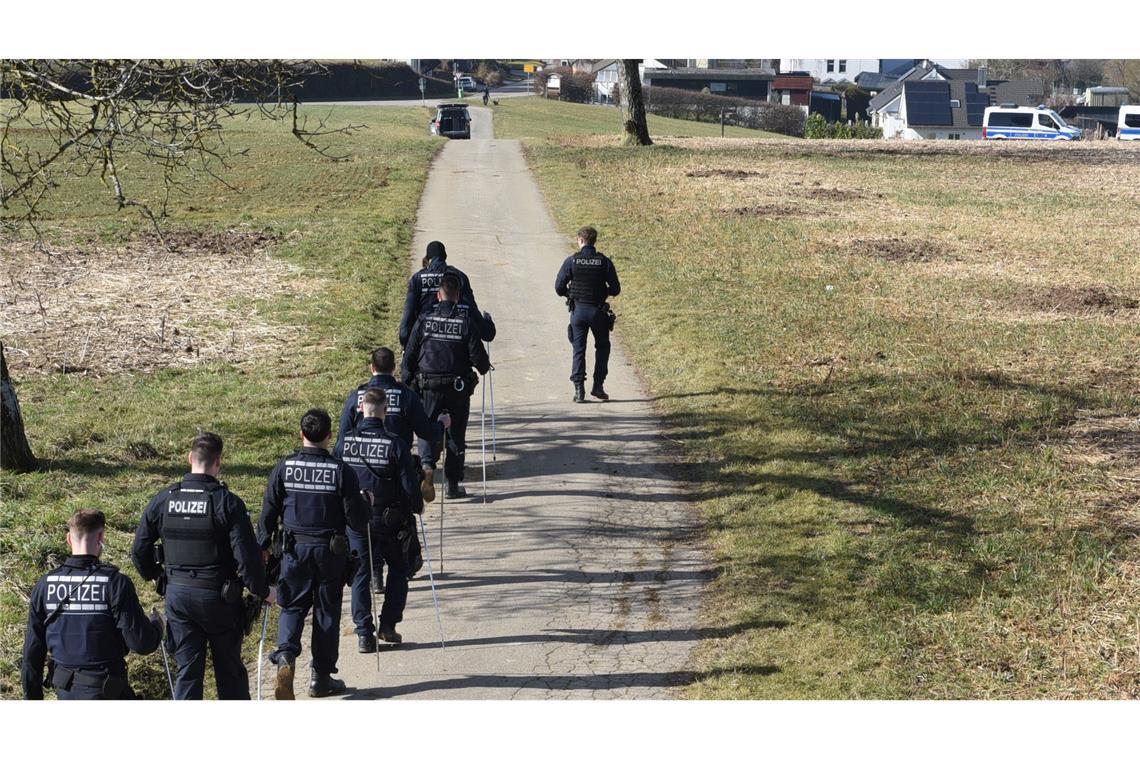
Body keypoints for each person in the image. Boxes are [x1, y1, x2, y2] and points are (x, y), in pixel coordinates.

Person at [132, 432, 273, 700]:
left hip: (178, 597)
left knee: (188, 672)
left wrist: (158, 577)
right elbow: (247, 558)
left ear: (189, 459)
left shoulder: (164, 500)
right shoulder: (226, 502)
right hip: (219, 600)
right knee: (230, 673)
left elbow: (139, 552)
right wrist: (264, 591)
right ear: (218, 462)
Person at [258, 408, 369, 699]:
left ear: (301, 434)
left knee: (292, 606)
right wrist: (365, 504)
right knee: (326, 612)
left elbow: (269, 510)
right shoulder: (341, 470)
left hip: (293, 550)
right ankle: (320, 677)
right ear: (330, 436)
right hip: (330, 552)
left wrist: (262, 545)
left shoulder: (285, 467)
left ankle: (285, 656)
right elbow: (357, 520)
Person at [23, 509, 162, 700]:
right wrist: (157, 625)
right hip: (107, 692)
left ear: (69, 539)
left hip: (65, 692)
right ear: (101, 537)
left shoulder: (45, 585)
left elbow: (32, 652)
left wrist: (32, 699)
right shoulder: (115, 583)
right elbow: (142, 643)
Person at [335, 388, 424, 651]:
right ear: (385, 411)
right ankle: (388, 625)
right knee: (398, 569)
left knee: (361, 574)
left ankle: (363, 633)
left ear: (361, 408)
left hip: (356, 522)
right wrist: (417, 506)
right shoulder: (395, 443)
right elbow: (409, 484)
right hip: (390, 520)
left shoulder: (344, 442)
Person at [402, 274, 491, 499]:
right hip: (457, 388)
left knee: (426, 427)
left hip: (428, 386)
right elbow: (479, 360)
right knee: (455, 433)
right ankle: (452, 485)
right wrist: (482, 367)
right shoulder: (465, 322)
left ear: (438, 295)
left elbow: (410, 354)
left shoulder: (423, 320)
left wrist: (407, 382)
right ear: (458, 296)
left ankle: (427, 466)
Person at [336, 346, 452, 502]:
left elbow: (342, 437)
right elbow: (426, 432)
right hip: (396, 467)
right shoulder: (407, 396)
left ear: (372, 368)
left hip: (360, 470)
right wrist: (441, 425)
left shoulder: (356, 397)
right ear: (394, 367)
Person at [554, 225, 621, 403]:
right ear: (594, 241)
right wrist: (602, 292)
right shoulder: (604, 262)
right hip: (598, 311)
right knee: (603, 347)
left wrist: (570, 294)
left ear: (581, 240)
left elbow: (559, 287)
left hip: (578, 311)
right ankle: (598, 386)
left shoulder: (572, 261)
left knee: (579, 349)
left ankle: (579, 390)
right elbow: (616, 289)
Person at [399, 240, 496, 347]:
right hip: (456, 342)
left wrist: (406, 340)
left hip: (426, 342)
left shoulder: (417, 279)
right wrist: (487, 327)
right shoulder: (459, 276)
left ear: (427, 259)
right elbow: (470, 308)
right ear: (445, 256)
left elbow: (408, 313)